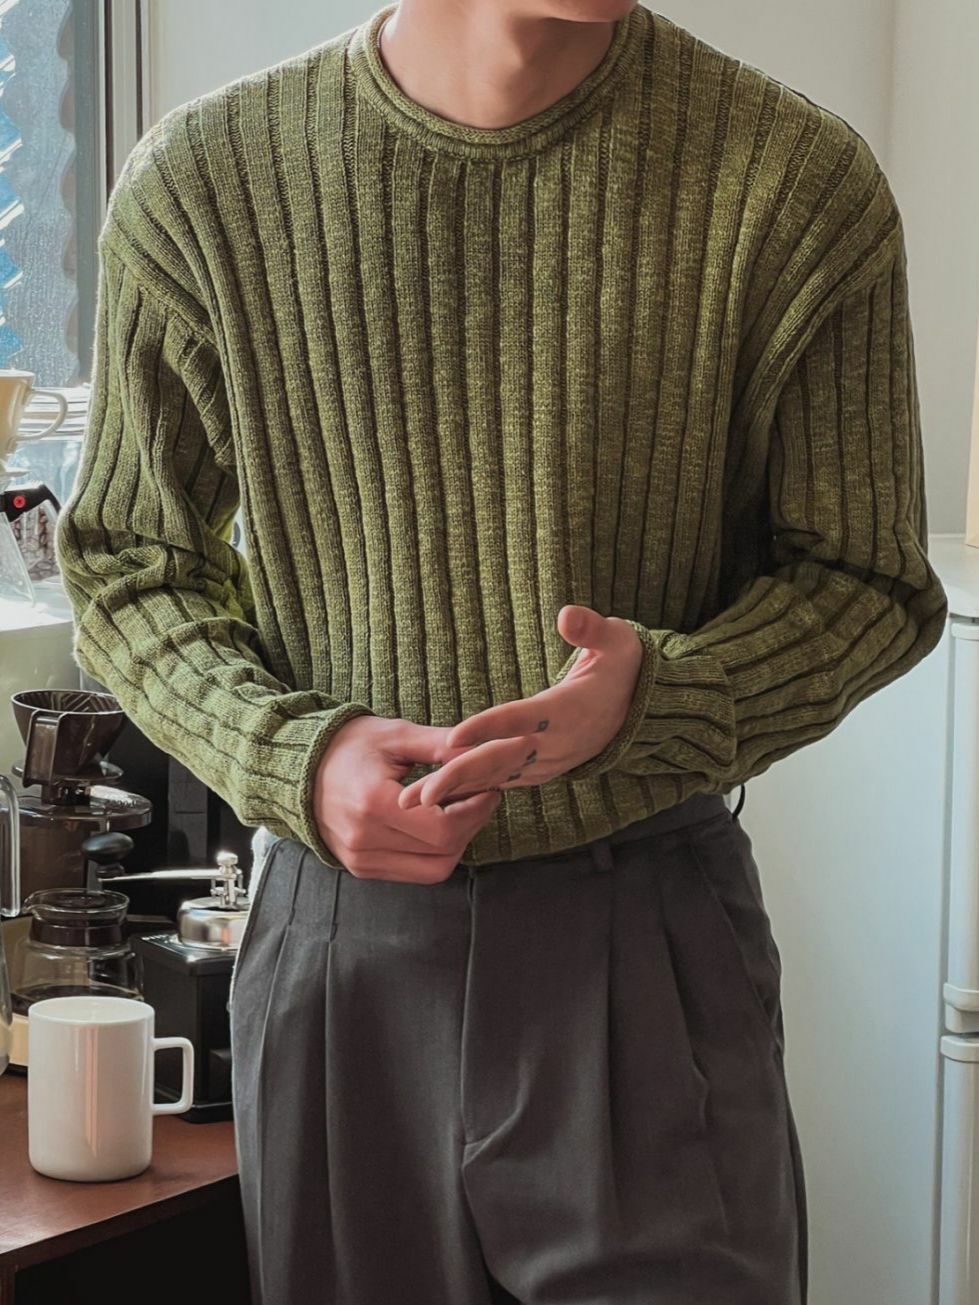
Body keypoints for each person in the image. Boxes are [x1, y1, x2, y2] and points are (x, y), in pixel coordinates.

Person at [54, 0, 949, 1301]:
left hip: (645, 943)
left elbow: (868, 579)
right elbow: (126, 561)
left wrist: (666, 699)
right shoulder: (204, 185)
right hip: (338, 955)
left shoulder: (794, 183)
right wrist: (293, 756)